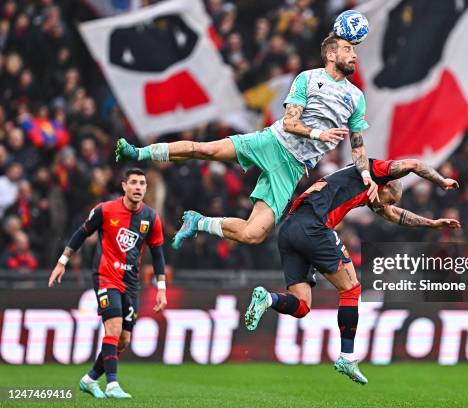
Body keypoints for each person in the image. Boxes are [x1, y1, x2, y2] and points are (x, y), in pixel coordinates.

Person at [115, 33, 377, 248]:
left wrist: (366, 175)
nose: (354, 55)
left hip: (292, 168)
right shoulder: (308, 79)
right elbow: (289, 122)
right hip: (272, 142)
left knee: (253, 234)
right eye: (347, 49)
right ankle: (137, 152)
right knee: (205, 150)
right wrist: (319, 134)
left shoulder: (356, 97)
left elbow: (357, 144)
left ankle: (198, 222)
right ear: (331, 54)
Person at [244, 158, 460, 384]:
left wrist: (433, 224)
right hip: (314, 226)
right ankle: (347, 356)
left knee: (302, 306)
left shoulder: (358, 182)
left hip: (289, 229)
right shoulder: (375, 170)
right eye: (390, 200)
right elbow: (414, 165)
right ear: (386, 185)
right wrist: (441, 180)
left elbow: (394, 215)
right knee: (351, 289)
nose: (387, 206)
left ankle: (267, 299)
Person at [48, 168, 168, 399]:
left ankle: (90, 379)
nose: (138, 187)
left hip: (131, 282)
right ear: (124, 186)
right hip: (105, 276)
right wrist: (62, 262)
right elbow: (81, 234)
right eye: (133, 183)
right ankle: (112, 384)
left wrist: (161, 288)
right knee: (112, 329)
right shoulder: (105, 210)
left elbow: (158, 254)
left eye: (142, 183)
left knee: (124, 339)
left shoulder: (151, 218)